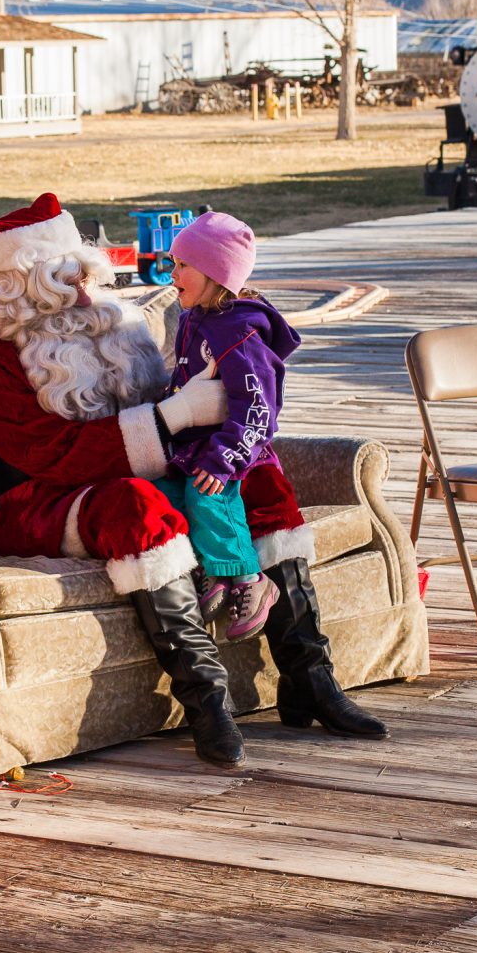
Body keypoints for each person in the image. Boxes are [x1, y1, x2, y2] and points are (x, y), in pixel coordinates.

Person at [0, 193, 386, 770]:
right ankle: (208, 702)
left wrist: (214, 435)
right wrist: (175, 416)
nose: (85, 295)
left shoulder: (110, 330)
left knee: (253, 477)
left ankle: (310, 678)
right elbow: (59, 457)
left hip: (122, 474)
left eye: (85, 278)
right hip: (32, 499)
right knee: (136, 505)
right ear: (21, 291)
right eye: (66, 285)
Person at [155, 212, 299, 642]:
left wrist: (225, 459)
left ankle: (251, 579)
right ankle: (218, 572)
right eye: (173, 262)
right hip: (193, 444)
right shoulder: (193, 318)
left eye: (182, 265)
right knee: (166, 495)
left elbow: (258, 404)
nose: (172, 273)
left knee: (208, 493)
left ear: (216, 273)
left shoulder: (238, 331)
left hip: (229, 447)